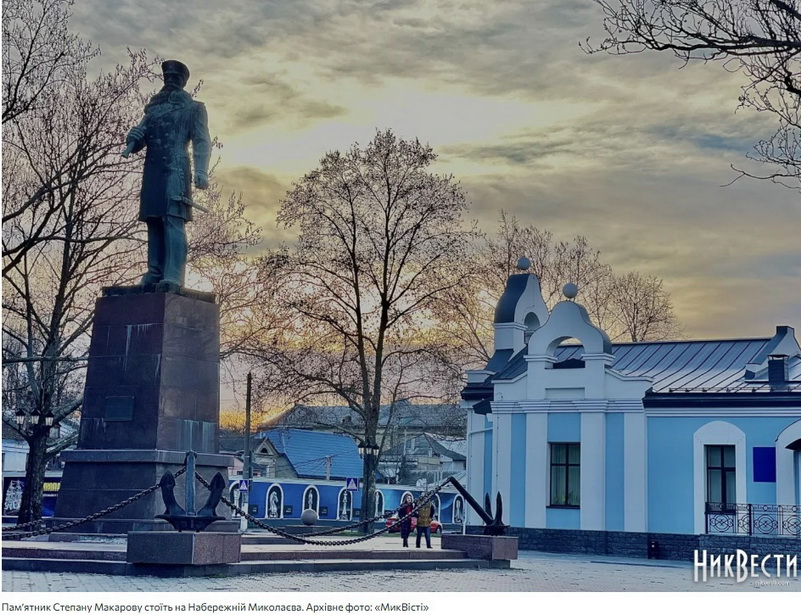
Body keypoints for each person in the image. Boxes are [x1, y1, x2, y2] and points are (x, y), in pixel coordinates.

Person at [124, 59, 211, 287]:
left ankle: (172, 274)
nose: (170, 82)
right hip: (153, 169)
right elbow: (141, 141)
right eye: (167, 78)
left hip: (176, 168)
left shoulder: (193, 108)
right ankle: (154, 271)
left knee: (172, 219)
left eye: (175, 79)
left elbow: (201, 141)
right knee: (152, 220)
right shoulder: (152, 111)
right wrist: (134, 138)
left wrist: (202, 170)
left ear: (182, 83)